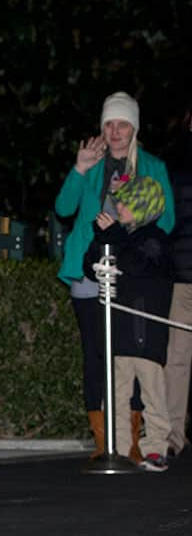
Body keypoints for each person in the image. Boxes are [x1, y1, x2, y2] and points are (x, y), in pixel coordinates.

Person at [55, 91, 175, 461]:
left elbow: (167, 221)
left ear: (134, 127)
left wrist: (134, 205)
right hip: (89, 270)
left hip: (133, 277)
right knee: (95, 354)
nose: (115, 130)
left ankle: (134, 440)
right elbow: (63, 208)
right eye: (109, 123)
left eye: (123, 123)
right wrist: (79, 169)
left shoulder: (153, 165)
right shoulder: (91, 163)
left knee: (132, 354)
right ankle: (102, 438)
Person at [82, 176, 172, 471]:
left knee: (152, 392)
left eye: (126, 201)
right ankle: (118, 448)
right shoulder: (120, 236)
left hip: (146, 332)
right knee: (117, 393)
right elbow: (90, 267)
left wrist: (115, 235)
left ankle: (157, 447)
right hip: (118, 331)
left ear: (143, 206)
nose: (118, 205)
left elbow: (138, 264)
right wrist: (100, 238)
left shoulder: (155, 239)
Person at [164, 107, 192, 459]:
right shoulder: (173, 158)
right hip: (182, 269)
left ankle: (173, 432)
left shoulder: (170, 157)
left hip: (180, 268)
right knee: (178, 354)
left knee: (179, 355)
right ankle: (172, 431)